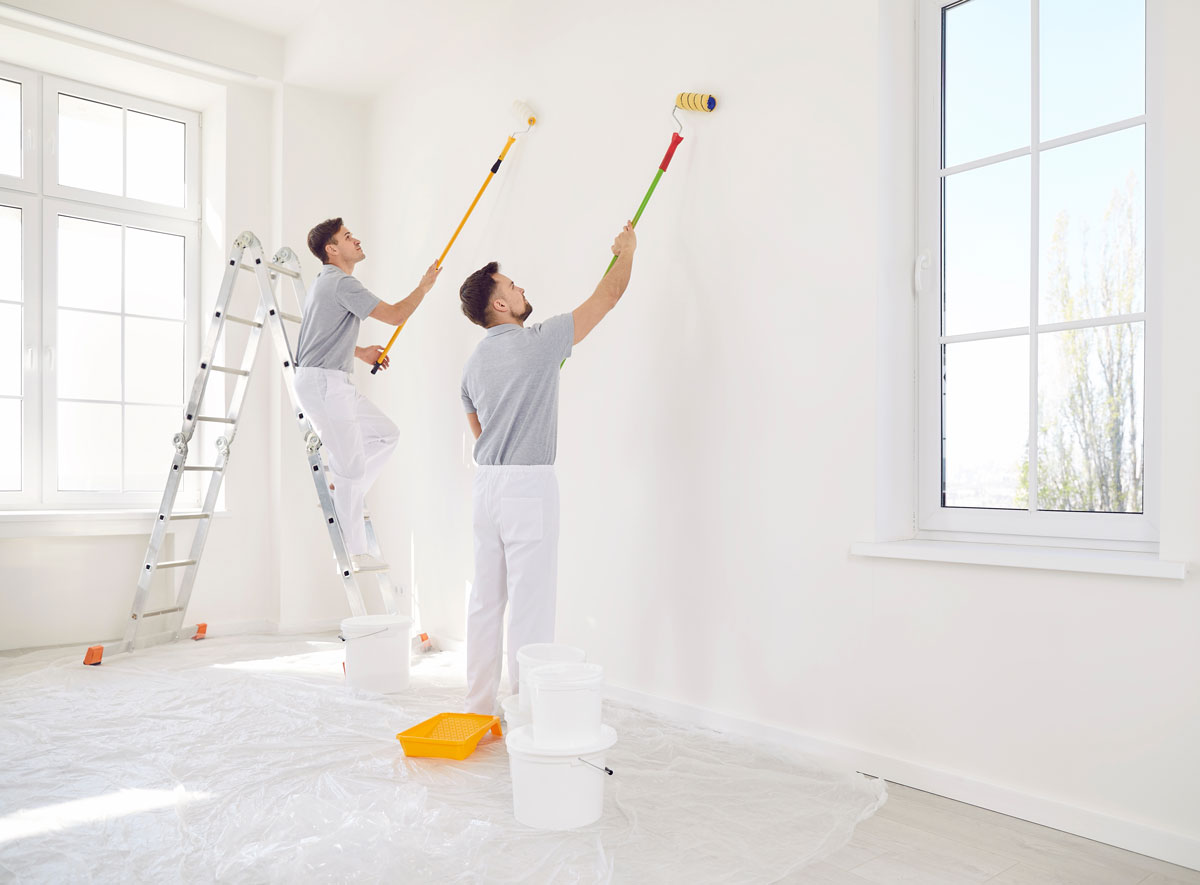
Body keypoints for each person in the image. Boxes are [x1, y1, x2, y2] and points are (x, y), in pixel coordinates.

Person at [458, 221, 637, 715]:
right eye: (512, 286)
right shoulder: (539, 342)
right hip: (527, 485)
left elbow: (479, 429)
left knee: (485, 600)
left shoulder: (473, 364)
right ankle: (527, 713)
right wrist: (627, 250)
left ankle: (477, 706)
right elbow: (609, 296)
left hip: (486, 486)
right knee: (530, 604)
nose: (521, 290)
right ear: (499, 305)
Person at [292, 217, 440, 568]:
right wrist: (424, 287)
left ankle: (344, 491)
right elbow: (396, 315)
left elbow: (318, 335)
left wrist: (359, 352)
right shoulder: (341, 282)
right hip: (325, 383)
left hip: (332, 380)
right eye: (347, 237)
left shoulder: (325, 283)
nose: (356, 240)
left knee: (386, 435)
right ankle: (353, 553)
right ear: (332, 249)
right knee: (350, 468)